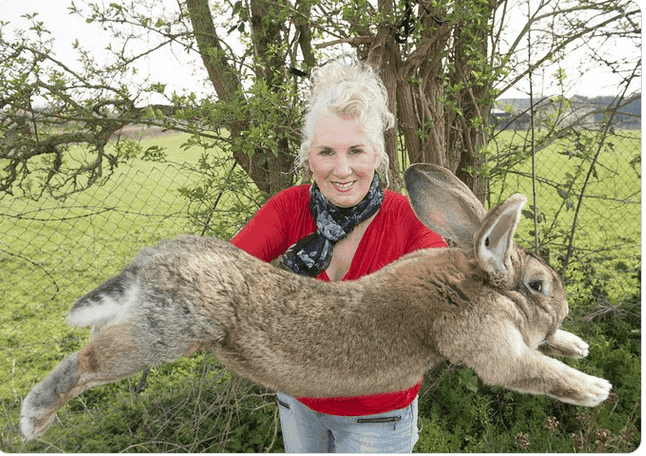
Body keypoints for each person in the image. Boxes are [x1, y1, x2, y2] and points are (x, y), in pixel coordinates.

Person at [230, 55, 447, 453]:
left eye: (356, 151)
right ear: (308, 155)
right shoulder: (287, 208)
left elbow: (437, 307)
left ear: (378, 156)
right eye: (327, 151)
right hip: (299, 402)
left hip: (378, 416)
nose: (341, 169)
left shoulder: (411, 220)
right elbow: (222, 276)